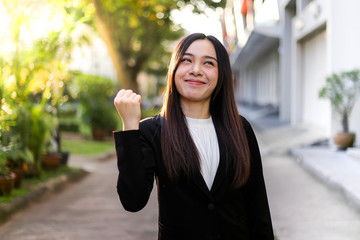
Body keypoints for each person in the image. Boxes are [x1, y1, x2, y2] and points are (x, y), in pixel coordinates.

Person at [113, 33, 274, 240]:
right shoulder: (152, 131)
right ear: (174, 69)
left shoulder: (240, 128)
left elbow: (257, 206)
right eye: (187, 60)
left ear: (221, 74)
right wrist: (130, 128)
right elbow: (133, 201)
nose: (196, 70)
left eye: (208, 63)